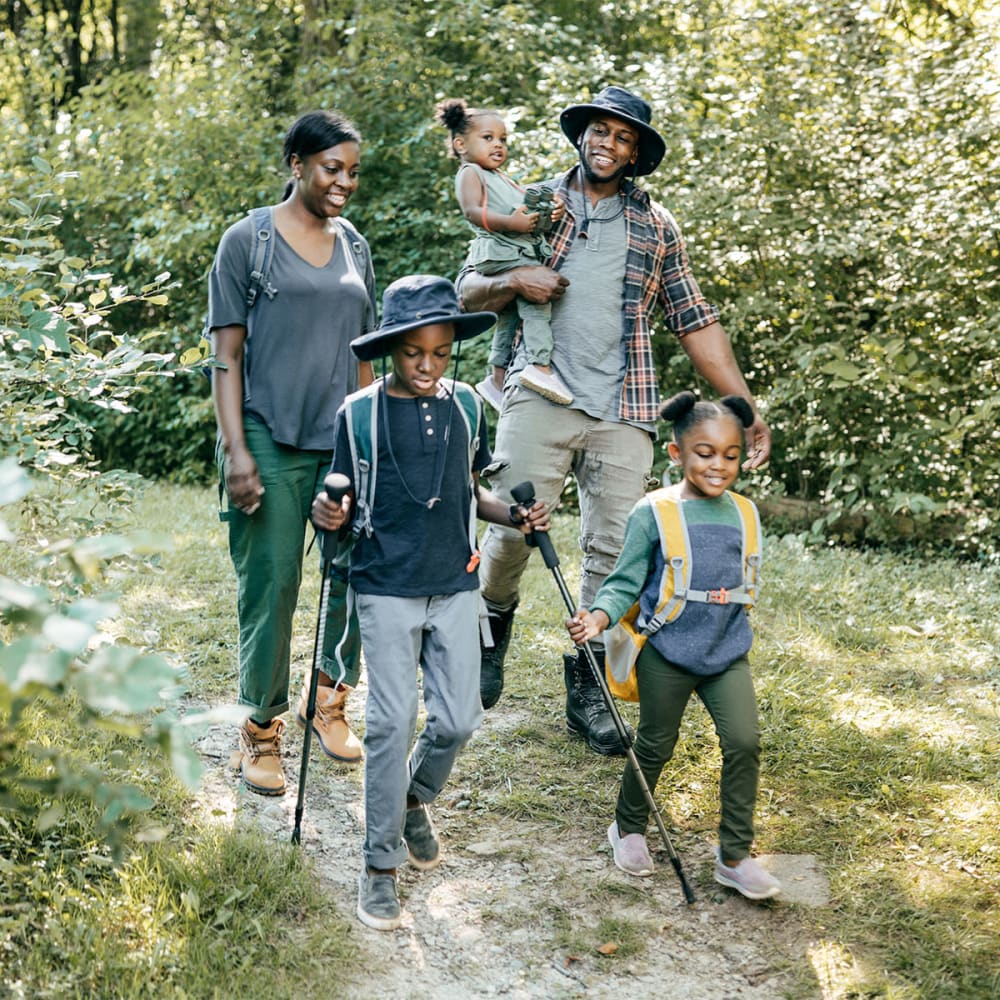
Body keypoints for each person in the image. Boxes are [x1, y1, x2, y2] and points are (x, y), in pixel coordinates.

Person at [458, 85, 772, 756]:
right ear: (581, 136)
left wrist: (744, 407)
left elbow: (695, 320)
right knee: (512, 535)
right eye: (599, 131)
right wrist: (517, 283)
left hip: (625, 406)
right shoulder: (532, 202)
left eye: (623, 137)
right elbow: (469, 290)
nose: (608, 144)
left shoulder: (658, 226)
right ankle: (492, 622)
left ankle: (591, 690)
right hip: (539, 394)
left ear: (636, 154)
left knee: (614, 554)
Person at [311, 274, 551, 931]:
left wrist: (516, 516)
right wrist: (328, 511)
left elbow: (474, 494)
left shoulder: (469, 405)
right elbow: (336, 503)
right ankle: (379, 866)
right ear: (392, 348)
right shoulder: (357, 415)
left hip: (454, 583)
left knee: (459, 719)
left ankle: (413, 798)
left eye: (441, 353)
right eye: (414, 352)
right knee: (390, 726)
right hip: (384, 585)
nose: (428, 365)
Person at [208, 110, 376, 797]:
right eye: (331, 168)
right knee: (273, 589)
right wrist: (237, 450)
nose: (343, 182)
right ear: (297, 165)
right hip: (269, 445)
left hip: (340, 444)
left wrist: (370, 448)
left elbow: (368, 357)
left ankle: (327, 700)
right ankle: (262, 729)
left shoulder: (355, 246)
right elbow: (226, 358)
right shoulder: (246, 241)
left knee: (354, 578)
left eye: (353, 171)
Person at [566, 391, 781, 900]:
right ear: (676, 454)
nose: (719, 465)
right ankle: (629, 827)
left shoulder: (745, 513)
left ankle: (734, 856)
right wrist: (599, 616)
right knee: (656, 744)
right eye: (704, 453)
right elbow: (624, 580)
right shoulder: (654, 513)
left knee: (745, 742)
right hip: (668, 650)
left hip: (726, 652)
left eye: (730, 455)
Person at [435, 97, 571, 412]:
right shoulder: (470, 173)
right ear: (460, 144)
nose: (498, 145)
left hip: (510, 249)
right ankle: (540, 365)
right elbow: (472, 212)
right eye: (488, 138)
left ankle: (496, 377)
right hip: (498, 251)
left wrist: (554, 210)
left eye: (503, 140)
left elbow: (527, 206)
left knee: (509, 315)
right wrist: (512, 222)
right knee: (537, 299)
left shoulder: (501, 178)